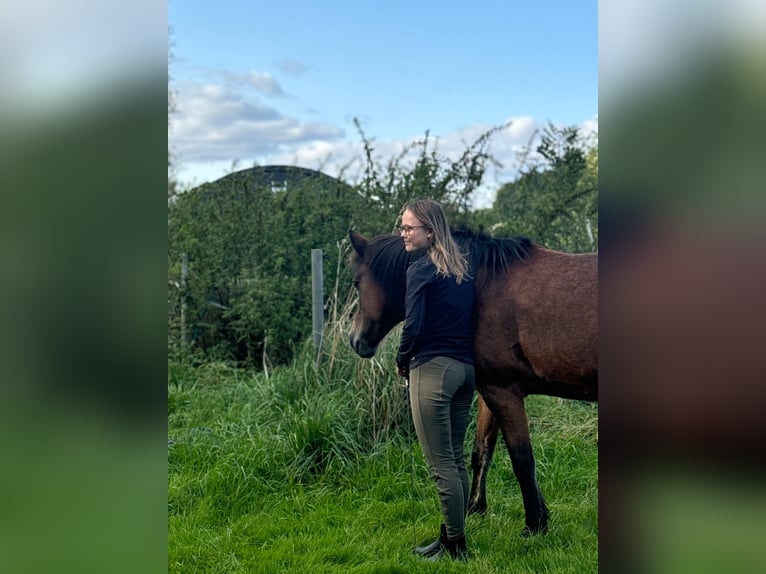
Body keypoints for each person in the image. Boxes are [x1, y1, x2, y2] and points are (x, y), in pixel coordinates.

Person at [395, 199, 475, 561]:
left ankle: (456, 546)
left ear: (430, 230)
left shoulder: (420, 270)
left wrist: (401, 360)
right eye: (403, 227)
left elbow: (413, 324)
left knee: (441, 464)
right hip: (465, 371)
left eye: (410, 227)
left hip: (432, 372)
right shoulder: (462, 269)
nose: (403, 233)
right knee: (455, 459)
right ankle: (448, 536)